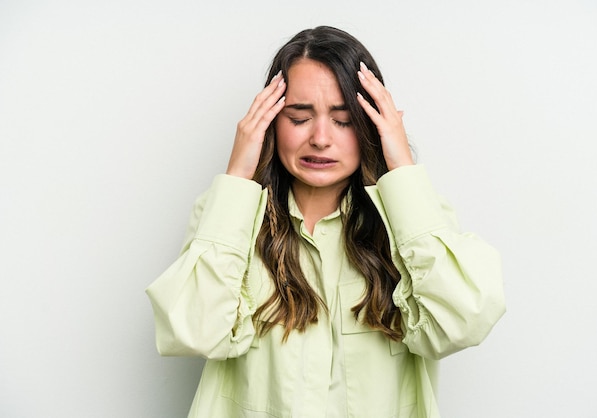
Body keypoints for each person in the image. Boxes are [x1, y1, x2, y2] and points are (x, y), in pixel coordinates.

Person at [146, 26, 506, 418]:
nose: (320, 138)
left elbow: (463, 322)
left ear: (373, 122)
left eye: (344, 120)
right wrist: (237, 174)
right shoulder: (228, 213)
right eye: (299, 117)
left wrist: (401, 166)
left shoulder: (414, 218)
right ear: (269, 122)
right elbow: (195, 333)